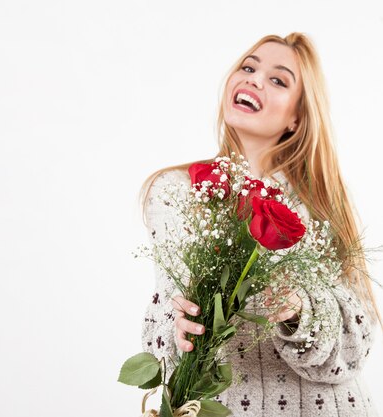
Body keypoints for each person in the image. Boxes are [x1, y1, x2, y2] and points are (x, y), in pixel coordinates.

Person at [139, 33, 380, 417]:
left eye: (278, 80)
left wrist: (299, 309)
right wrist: (176, 330)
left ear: (297, 117)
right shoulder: (174, 191)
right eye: (248, 67)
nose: (253, 79)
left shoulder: (324, 200)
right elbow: (163, 318)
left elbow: (357, 344)